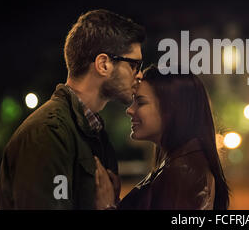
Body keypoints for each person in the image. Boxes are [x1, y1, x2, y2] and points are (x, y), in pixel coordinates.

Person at [0, 9, 146, 209]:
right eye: (134, 65)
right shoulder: (49, 133)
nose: (139, 75)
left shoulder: (94, 133)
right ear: (103, 64)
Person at [95, 65, 230, 210]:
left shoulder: (182, 173)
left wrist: (106, 207)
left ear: (172, 109)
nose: (129, 109)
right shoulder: (181, 164)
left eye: (141, 102)